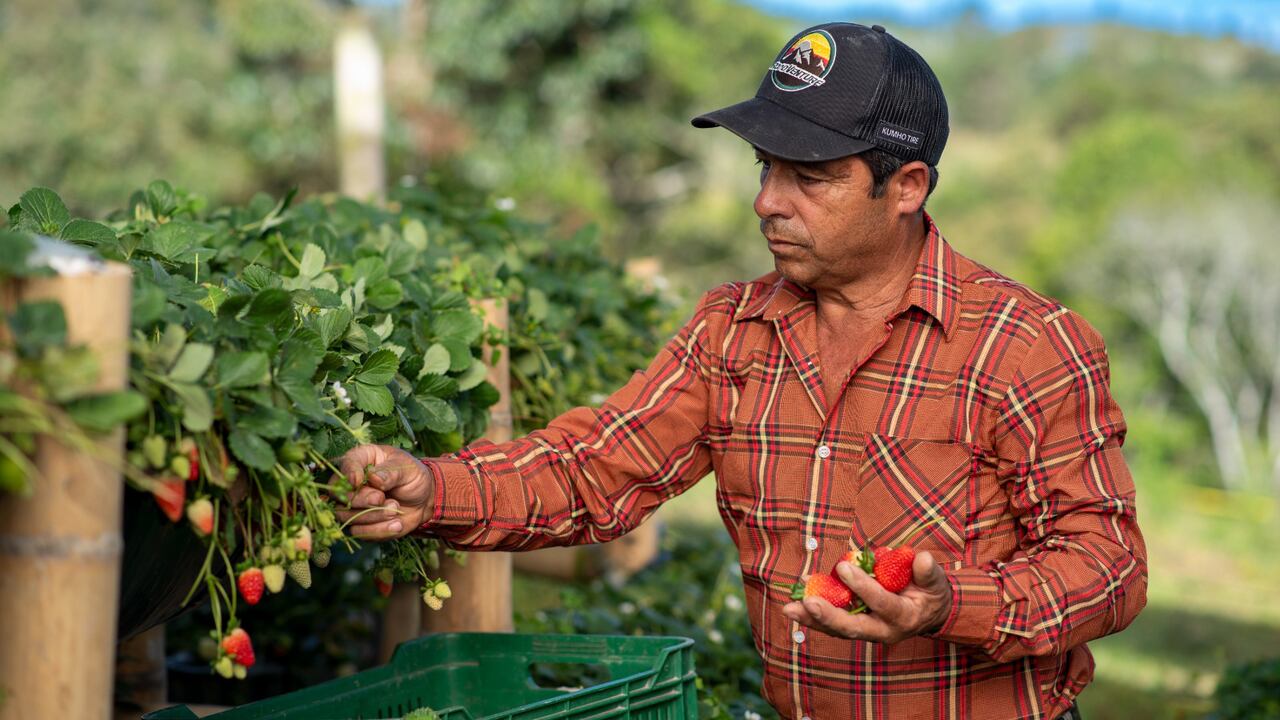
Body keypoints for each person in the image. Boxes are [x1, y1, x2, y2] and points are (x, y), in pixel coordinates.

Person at [336, 21, 1147, 720]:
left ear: (906, 187)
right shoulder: (734, 330)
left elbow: (1109, 566)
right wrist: (434, 488)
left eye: (810, 177)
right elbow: (596, 468)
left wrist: (952, 605)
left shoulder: (1025, 345)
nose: (767, 201)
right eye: (766, 167)